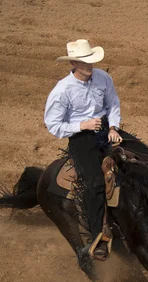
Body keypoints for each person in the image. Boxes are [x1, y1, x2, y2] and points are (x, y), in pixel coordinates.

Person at [44, 39, 123, 261]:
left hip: (107, 129)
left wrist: (114, 127)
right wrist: (82, 125)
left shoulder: (103, 78)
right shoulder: (62, 90)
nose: (90, 66)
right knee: (95, 183)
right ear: (73, 63)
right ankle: (98, 237)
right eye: (85, 62)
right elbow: (54, 125)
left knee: (140, 158)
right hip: (81, 139)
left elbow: (113, 103)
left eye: (91, 61)